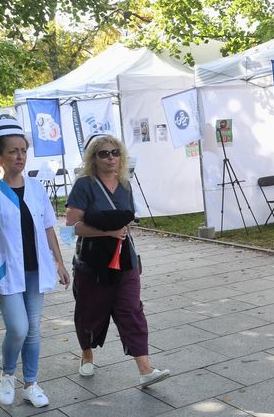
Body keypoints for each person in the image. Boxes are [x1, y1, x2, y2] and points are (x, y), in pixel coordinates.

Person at [0, 119, 70, 408]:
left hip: (37, 270)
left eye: (23, 150)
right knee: (19, 329)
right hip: (5, 273)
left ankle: (31, 384)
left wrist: (59, 262)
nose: (20, 156)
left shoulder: (36, 188)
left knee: (34, 330)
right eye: (13, 151)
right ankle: (7, 373)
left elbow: (49, 227)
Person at [65, 134, 169, 387]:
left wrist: (122, 233)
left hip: (124, 260)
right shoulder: (84, 185)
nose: (110, 157)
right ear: (93, 158)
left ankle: (145, 369)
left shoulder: (125, 184)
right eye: (104, 153)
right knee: (89, 312)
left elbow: (126, 220)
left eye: (115, 153)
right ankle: (87, 354)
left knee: (132, 311)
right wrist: (108, 232)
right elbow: (70, 227)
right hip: (92, 262)